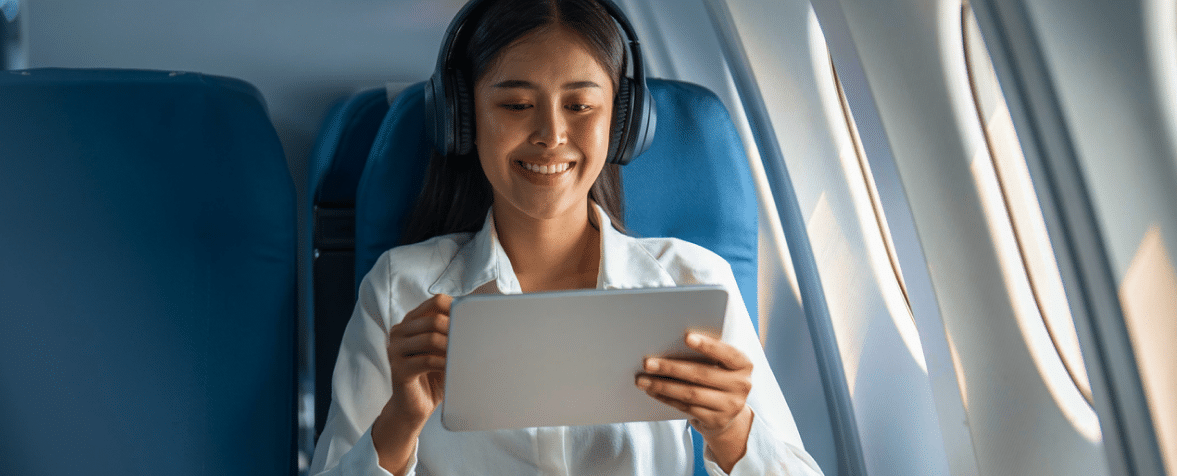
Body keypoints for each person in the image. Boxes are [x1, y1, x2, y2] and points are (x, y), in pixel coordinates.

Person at [309, 0, 825, 474]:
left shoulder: (691, 279)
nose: (550, 134)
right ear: (463, 120)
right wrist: (400, 422)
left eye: (579, 107)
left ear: (621, 124)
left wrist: (731, 430)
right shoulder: (401, 288)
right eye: (515, 105)